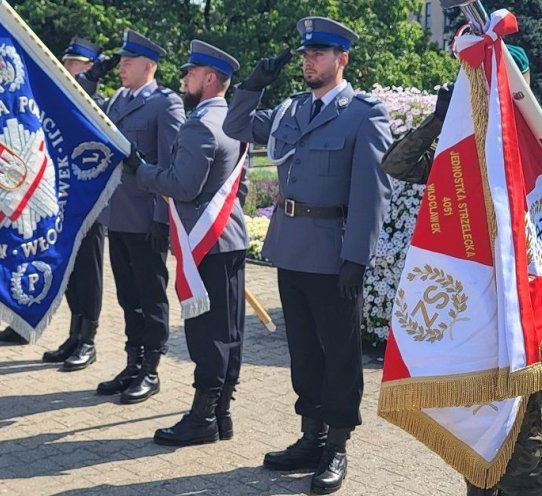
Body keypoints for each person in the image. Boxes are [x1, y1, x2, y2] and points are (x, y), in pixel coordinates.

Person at [223, 17, 392, 494]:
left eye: (319, 53)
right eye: (305, 54)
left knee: (339, 354)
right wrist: (255, 84)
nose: (308, 61)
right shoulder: (289, 110)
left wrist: (357, 258)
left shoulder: (363, 113)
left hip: (335, 251)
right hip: (291, 247)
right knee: (302, 351)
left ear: (342, 60)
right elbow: (236, 124)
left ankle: (337, 446)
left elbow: (371, 192)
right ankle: (311, 437)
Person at [377, 44, 540, 496]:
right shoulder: (463, 160)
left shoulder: (534, 150)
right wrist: (437, 119)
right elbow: (397, 165)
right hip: (479, 325)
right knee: (481, 451)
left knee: (526, 460)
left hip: (529, 325)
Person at [124, 40, 247, 445]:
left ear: (209, 79)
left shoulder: (199, 125)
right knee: (228, 331)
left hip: (205, 243)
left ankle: (202, 418)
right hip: (227, 238)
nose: (184, 79)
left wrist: (142, 170)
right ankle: (222, 413)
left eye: (191, 73)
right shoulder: (232, 118)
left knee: (207, 333)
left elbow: (182, 185)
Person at [96, 29, 184, 404]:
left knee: (151, 297)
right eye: (120, 62)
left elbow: (170, 164)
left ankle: (150, 368)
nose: (120, 68)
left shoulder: (166, 104)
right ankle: (132, 362)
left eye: (127, 62)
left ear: (149, 66)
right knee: (128, 296)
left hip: (146, 218)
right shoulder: (117, 101)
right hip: (118, 215)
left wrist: (160, 218)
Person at [33, 36, 120, 369]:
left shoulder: (101, 102)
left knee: (90, 272)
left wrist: (90, 80)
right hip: (62, 202)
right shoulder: (58, 102)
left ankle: (89, 339)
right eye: (66, 65)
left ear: (91, 69)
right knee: (68, 271)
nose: (67, 72)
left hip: (91, 204)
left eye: (75, 67)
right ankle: (74, 332)